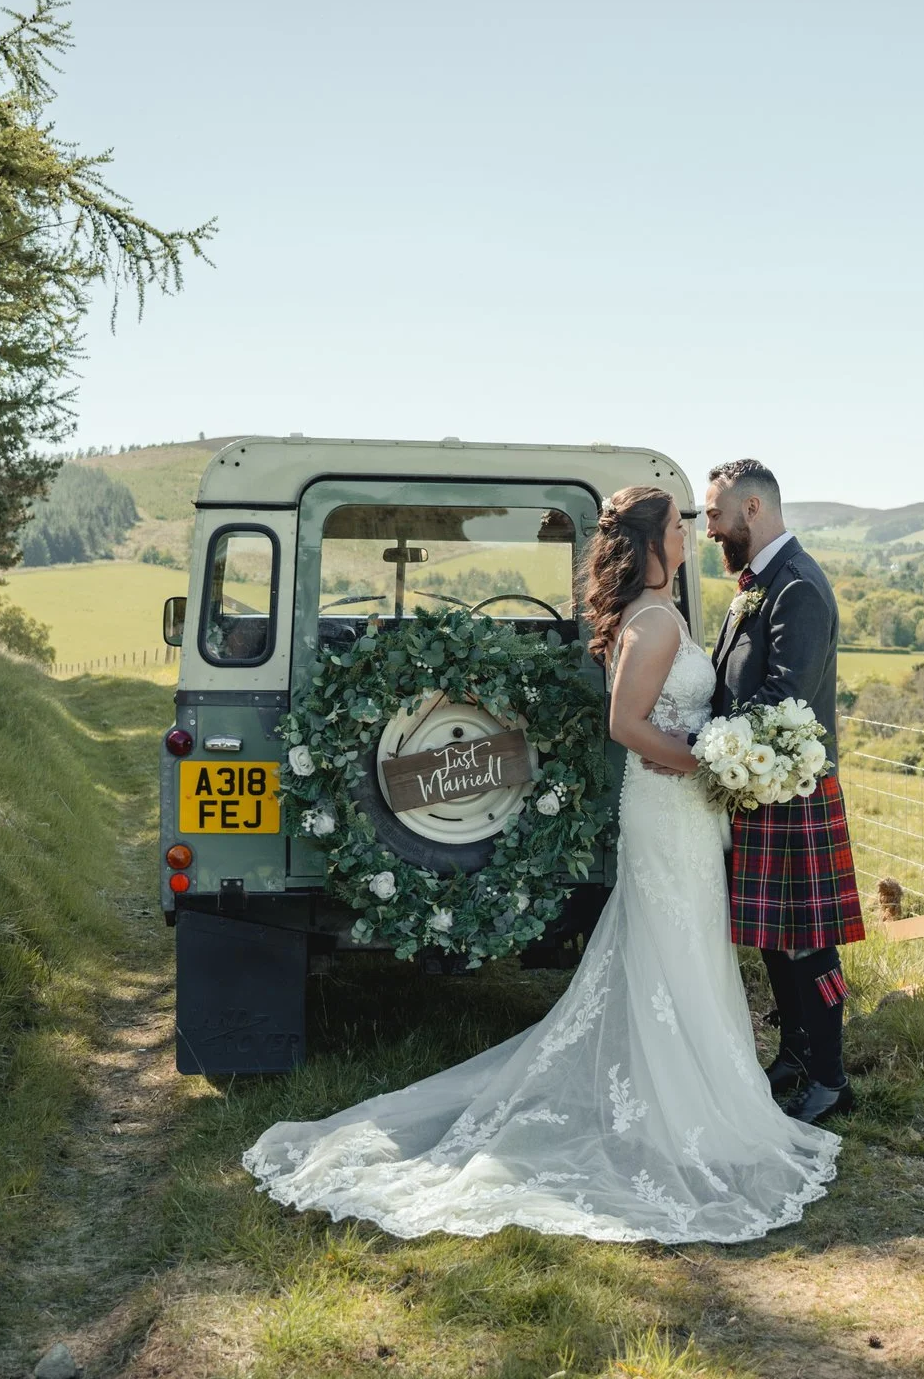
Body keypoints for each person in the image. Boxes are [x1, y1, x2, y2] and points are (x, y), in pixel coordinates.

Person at [242, 485, 840, 1243]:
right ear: (653, 543)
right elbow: (626, 724)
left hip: (683, 806)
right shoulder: (654, 621)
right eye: (679, 531)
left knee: (682, 946)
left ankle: (688, 1093)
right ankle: (680, 1110)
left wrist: (714, 760)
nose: (692, 537)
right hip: (668, 800)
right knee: (674, 944)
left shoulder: (664, 612)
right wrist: (703, 760)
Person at [700, 458, 862, 1125]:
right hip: (761, 787)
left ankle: (831, 1076)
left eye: (715, 512)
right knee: (771, 933)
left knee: (809, 940)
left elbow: (783, 697)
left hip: (793, 790)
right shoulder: (760, 583)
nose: (709, 526)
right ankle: (795, 1052)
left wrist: (707, 745)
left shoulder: (796, 586)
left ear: (754, 508)